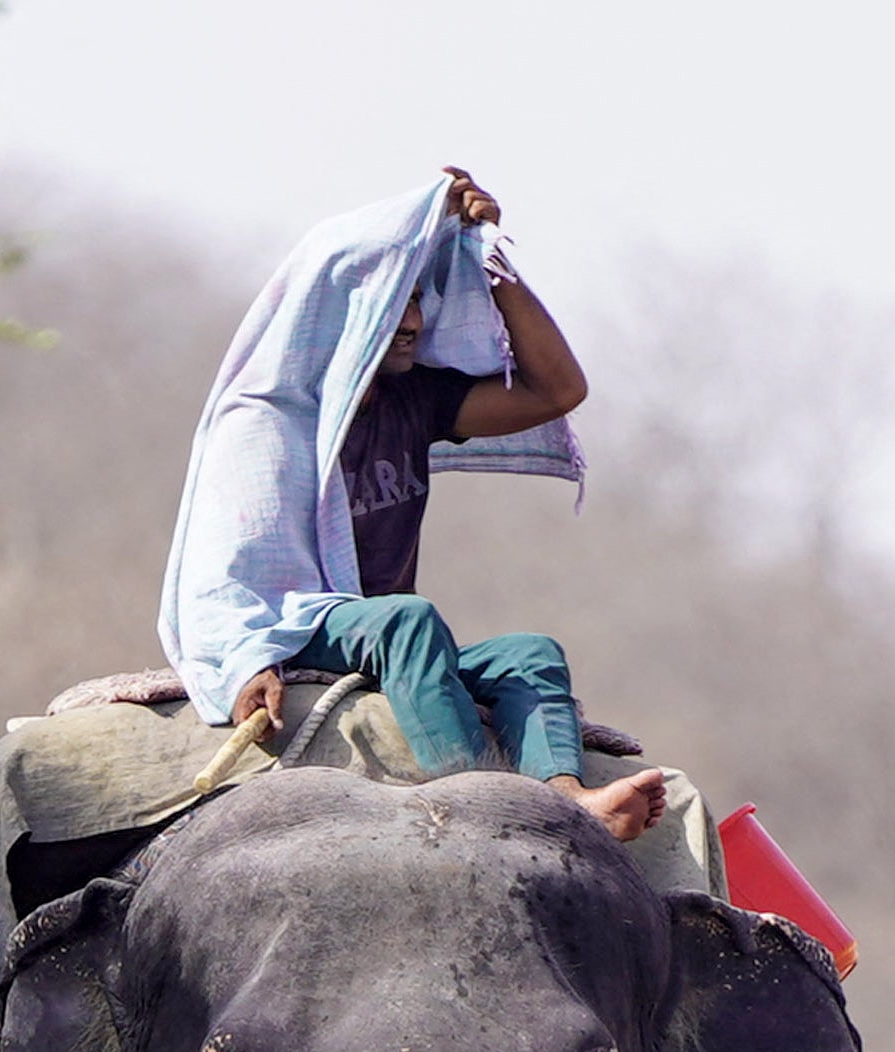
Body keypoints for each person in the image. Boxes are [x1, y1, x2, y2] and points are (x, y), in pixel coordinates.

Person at [157, 167, 670, 845]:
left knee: (528, 654)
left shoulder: (410, 399)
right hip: (302, 626)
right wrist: (247, 661)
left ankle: (571, 803)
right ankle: (476, 805)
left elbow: (557, 389)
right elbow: (224, 573)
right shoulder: (264, 422)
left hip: (387, 635)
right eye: (387, 303)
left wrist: (489, 264)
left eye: (416, 299)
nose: (411, 322)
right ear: (334, 314)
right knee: (409, 619)